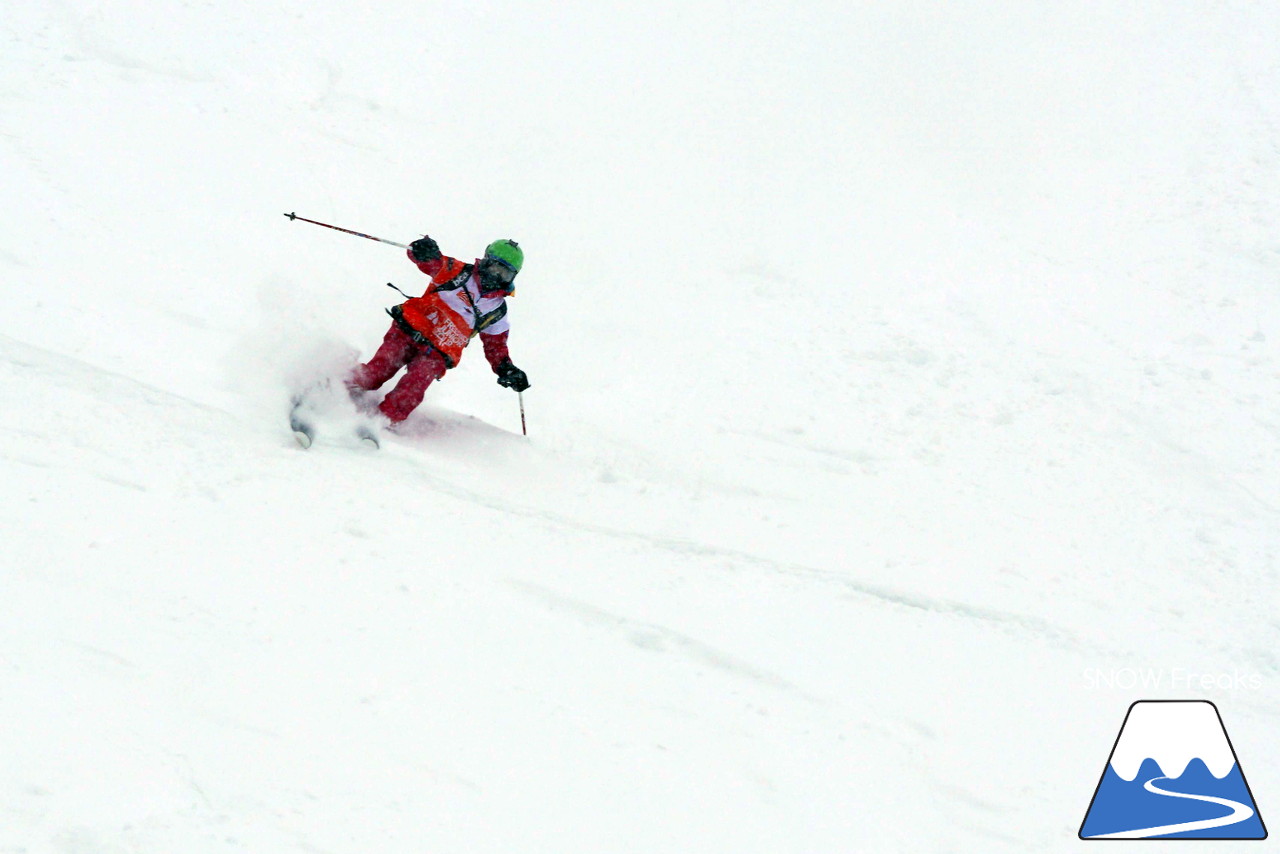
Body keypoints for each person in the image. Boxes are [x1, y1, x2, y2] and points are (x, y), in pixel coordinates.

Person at [349, 234, 530, 425]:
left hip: (438, 353)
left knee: (412, 389)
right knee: (376, 372)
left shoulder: (497, 311)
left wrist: (506, 369)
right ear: (485, 261)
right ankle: (337, 386)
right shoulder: (457, 272)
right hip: (408, 330)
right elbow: (432, 262)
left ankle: (380, 423)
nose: (496, 276)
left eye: (504, 274)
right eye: (494, 267)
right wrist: (424, 252)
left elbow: (496, 347)